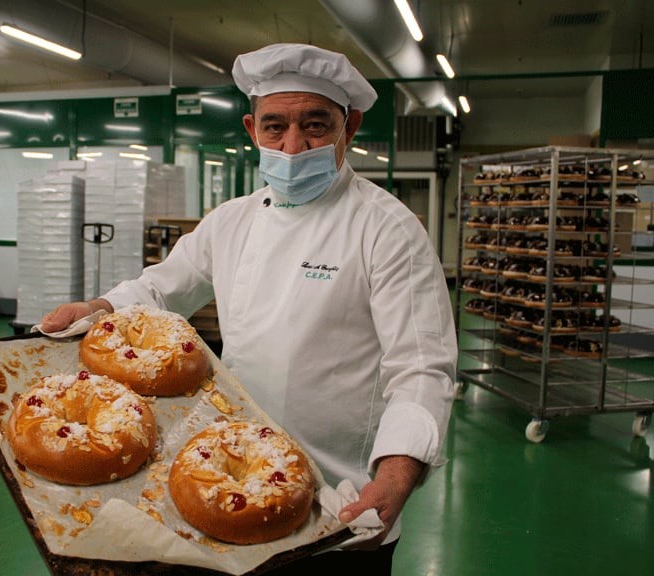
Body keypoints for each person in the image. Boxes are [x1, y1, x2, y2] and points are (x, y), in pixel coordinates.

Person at [41, 43, 457, 574]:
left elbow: (422, 367)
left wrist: (396, 476)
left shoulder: (386, 228)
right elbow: (161, 291)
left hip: (342, 504)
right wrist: (99, 305)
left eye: (315, 125)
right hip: (228, 483)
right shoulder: (232, 221)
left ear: (349, 129)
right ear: (250, 129)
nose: (292, 145)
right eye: (274, 127)